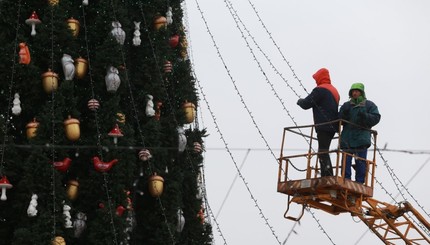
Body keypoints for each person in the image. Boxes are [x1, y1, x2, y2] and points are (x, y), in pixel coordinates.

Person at [297, 68, 340, 177]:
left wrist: (300, 101)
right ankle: (327, 173)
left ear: (320, 77)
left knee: (322, 151)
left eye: (316, 78)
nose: (316, 81)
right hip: (333, 126)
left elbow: (307, 103)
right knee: (324, 149)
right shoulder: (335, 91)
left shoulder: (320, 90)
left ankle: (327, 175)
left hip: (323, 125)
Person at [339, 83, 381, 184]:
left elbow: (376, 117)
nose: (355, 93)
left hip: (361, 139)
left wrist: (365, 116)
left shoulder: (369, 105)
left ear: (361, 93)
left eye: (357, 91)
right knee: (346, 161)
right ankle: (346, 179)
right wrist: (342, 114)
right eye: (353, 91)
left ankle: (359, 182)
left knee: (360, 161)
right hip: (347, 138)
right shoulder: (347, 105)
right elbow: (339, 119)